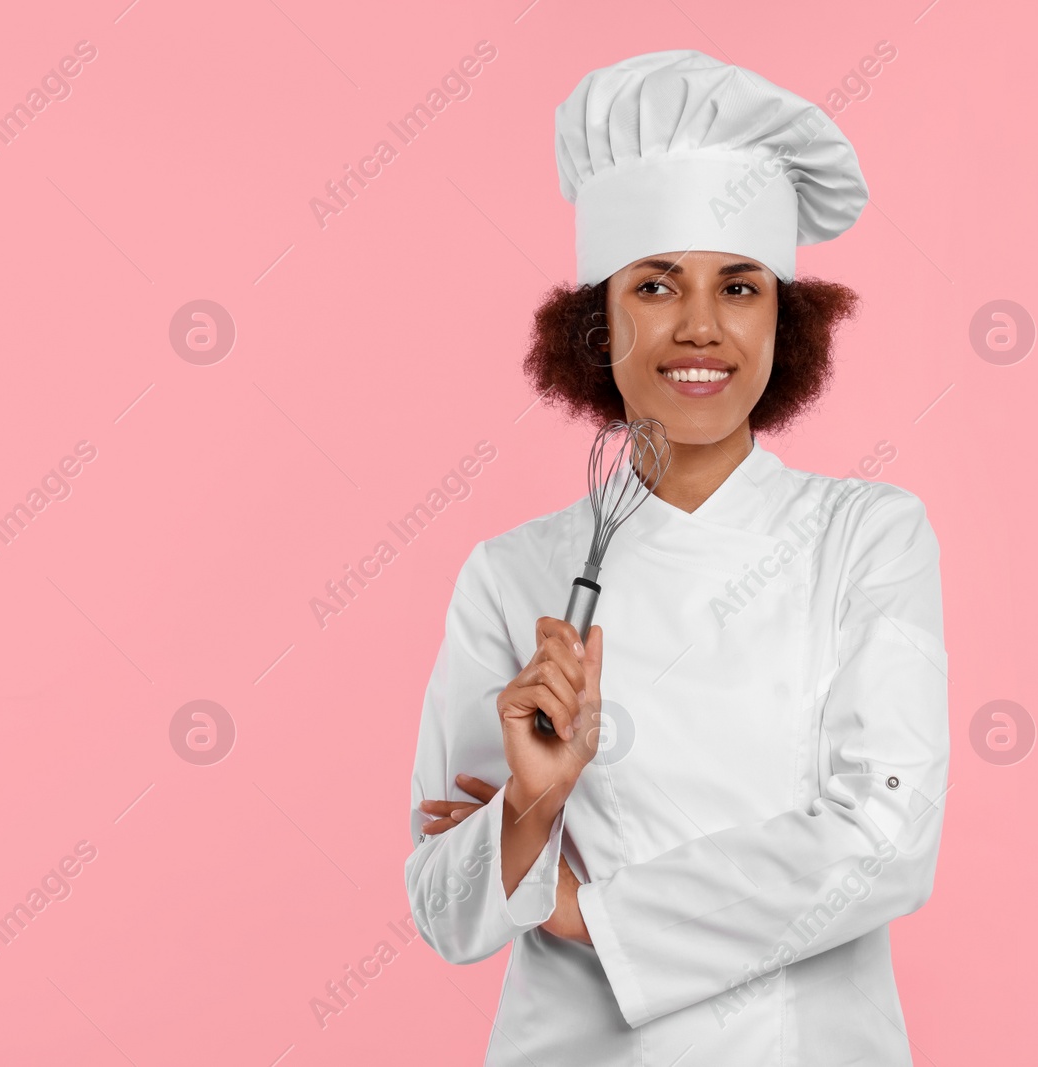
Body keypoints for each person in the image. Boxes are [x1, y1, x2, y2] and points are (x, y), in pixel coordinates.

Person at [404, 50, 949, 1065]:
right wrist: (529, 803)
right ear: (596, 322)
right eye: (654, 284)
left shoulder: (866, 535)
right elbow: (443, 908)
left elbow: (882, 841)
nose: (699, 326)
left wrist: (581, 908)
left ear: (784, 324)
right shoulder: (510, 572)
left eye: (738, 286)